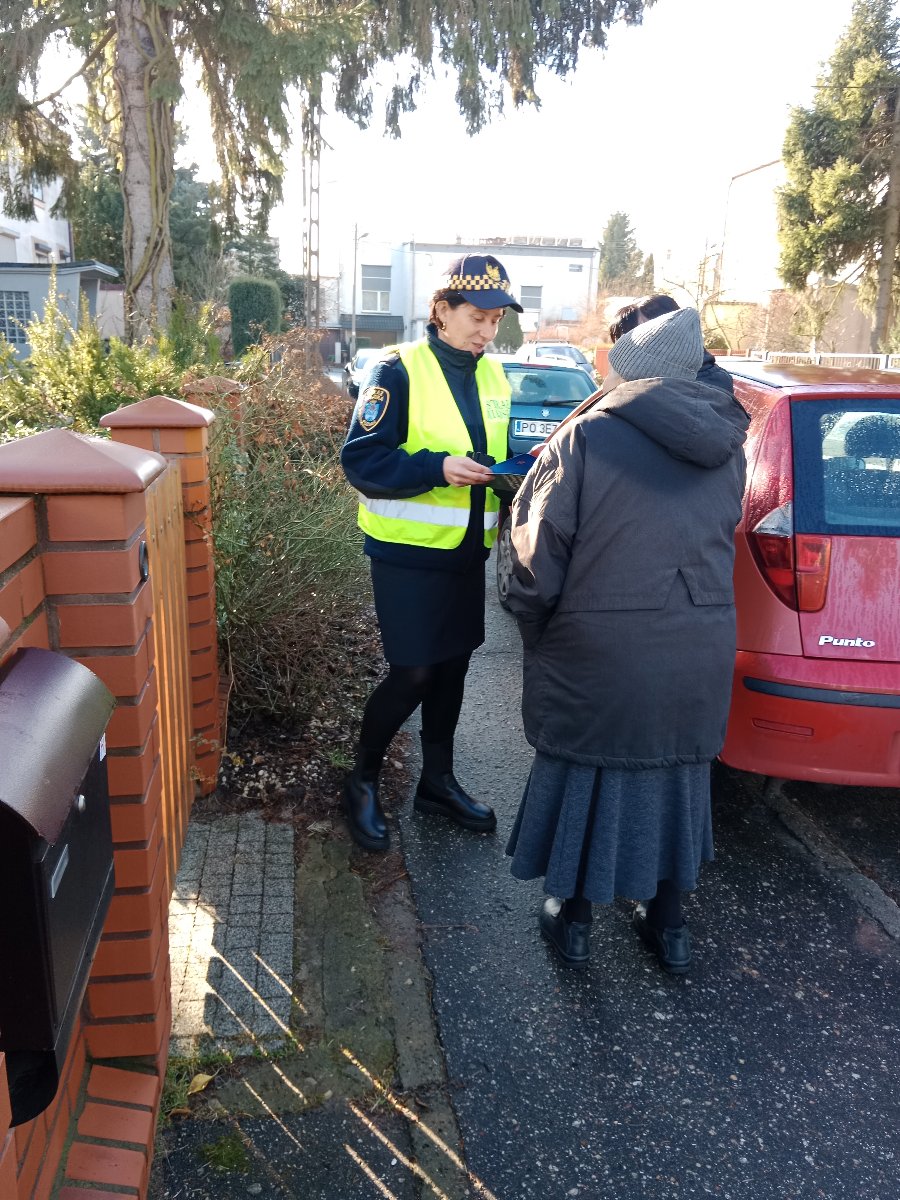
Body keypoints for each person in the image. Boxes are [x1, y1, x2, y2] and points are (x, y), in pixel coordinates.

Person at [504, 307, 749, 973]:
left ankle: (573, 918)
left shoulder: (585, 438)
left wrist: (531, 623)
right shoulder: (728, 448)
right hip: (698, 645)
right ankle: (667, 925)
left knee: (587, 769)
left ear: (629, 372)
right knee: (674, 776)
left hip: (603, 646)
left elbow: (536, 560)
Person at [339, 254, 524, 852]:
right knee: (414, 671)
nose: (487, 331)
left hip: (467, 552)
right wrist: (437, 469)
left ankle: (437, 783)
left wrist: (511, 475)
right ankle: (362, 781)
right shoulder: (398, 371)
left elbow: (496, 450)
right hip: (408, 555)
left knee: (452, 669)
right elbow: (361, 461)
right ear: (440, 311)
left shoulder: (494, 375)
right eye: (477, 316)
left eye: (496, 320)